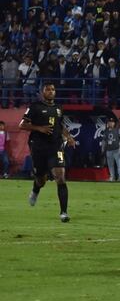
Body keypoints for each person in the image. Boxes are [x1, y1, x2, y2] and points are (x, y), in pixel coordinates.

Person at [19, 82, 76, 222]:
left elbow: (60, 125)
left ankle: (63, 212)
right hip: (39, 147)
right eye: (48, 89)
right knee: (41, 179)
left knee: (60, 177)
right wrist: (39, 128)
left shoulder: (58, 108)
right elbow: (22, 125)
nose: (51, 91)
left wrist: (68, 137)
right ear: (42, 92)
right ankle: (35, 190)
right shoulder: (35, 107)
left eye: (53, 89)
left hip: (55, 146)